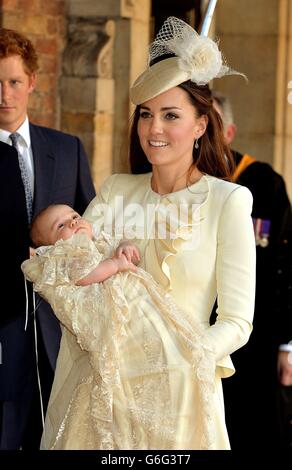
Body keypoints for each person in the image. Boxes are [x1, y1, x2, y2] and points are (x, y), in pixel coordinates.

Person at [83, 16, 256, 450]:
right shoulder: (116, 190)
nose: (153, 129)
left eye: (170, 116)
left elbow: (237, 321)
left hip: (182, 399)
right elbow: (74, 267)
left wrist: (187, 356)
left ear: (200, 125)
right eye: (146, 115)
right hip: (105, 397)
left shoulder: (228, 201)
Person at [22, 204, 216, 450]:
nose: (72, 222)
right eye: (60, 226)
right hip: (117, 332)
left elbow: (118, 248)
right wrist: (114, 265)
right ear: (48, 245)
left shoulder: (100, 241)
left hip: (144, 317)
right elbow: (83, 275)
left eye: (74, 216)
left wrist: (124, 247)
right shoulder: (62, 257)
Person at [0, 28, 96, 449]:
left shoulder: (68, 148)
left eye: (14, 82)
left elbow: (90, 225)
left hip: (61, 328)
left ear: (32, 82)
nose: (4, 94)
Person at [212, 90, 292, 449]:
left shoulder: (265, 183)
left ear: (229, 132)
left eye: (211, 126)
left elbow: (286, 264)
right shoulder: (181, 185)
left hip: (256, 337)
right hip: (202, 332)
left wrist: (288, 346)